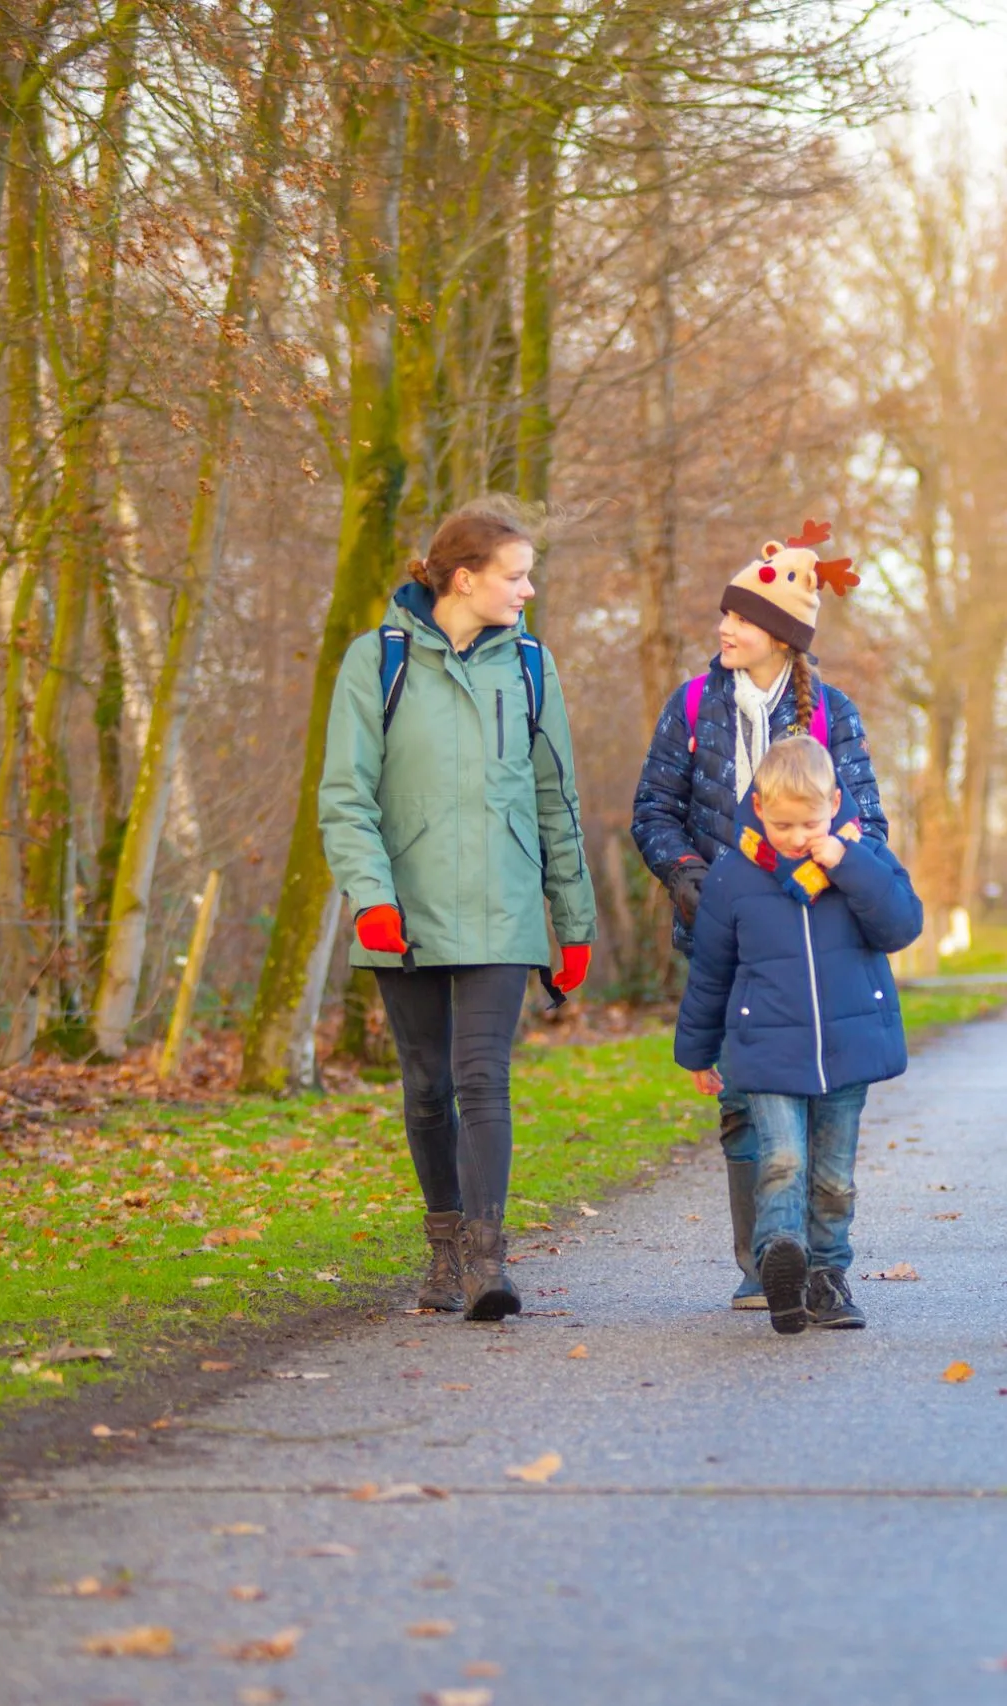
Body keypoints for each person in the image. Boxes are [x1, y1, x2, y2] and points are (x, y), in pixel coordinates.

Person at [319, 505, 597, 1321]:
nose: (529, 588)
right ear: (465, 577)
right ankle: (442, 1251)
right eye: (517, 574)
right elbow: (345, 796)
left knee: (484, 1081)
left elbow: (558, 802)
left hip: (504, 909)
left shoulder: (533, 668)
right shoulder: (377, 662)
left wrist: (571, 923)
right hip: (401, 912)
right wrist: (371, 899)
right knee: (427, 1087)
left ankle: (487, 1260)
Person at [632, 524, 887, 1310]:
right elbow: (654, 808)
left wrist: (814, 873)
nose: (724, 628)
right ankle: (762, 1260)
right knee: (744, 1095)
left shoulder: (830, 714)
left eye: (740, 618)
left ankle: (816, 1259)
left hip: (813, 933)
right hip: (719, 921)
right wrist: (684, 873)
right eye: (725, 615)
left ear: (781, 634)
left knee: (814, 1099)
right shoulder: (691, 703)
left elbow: (867, 823)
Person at [673, 737, 924, 1335]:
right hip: (765, 1047)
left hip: (848, 1047)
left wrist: (849, 865)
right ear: (758, 807)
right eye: (781, 823)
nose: (794, 837)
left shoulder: (863, 855)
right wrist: (699, 1051)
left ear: (835, 803)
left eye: (809, 822)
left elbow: (901, 925)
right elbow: (712, 969)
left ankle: (828, 1277)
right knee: (782, 1160)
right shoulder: (734, 873)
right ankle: (781, 1259)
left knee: (834, 1177)